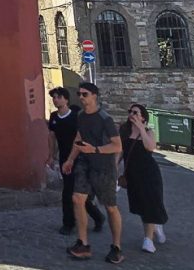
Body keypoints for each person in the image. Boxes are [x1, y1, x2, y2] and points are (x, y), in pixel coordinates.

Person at [62, 82, 124, 264]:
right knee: (77, 198)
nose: (81, 97)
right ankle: (83, 243)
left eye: (85, 94)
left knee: (110, 207)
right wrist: (71, 159)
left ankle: (116, 247)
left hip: (104, 167)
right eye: (80, 94)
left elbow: (117, 145)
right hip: (85, 164)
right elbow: (79, 138)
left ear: (95, 96)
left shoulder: (105, 119)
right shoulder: (80, 115)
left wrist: (95, 150)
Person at [46, 87, 105, 235]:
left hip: (79, 158)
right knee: (71, 192)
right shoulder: (53, 117)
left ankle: (76, 222)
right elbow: (52, 138)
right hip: (64, 158)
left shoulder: (75, 116)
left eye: (58, 97)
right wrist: (52, 155)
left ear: (66, 99)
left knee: (73, 193)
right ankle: (88, 219)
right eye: (54, 97)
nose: (55, 100)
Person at [119, 103, 168, 254]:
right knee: (140, 206)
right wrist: (115, 168)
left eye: (135, 112)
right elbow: (119, 152)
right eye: (130, 112)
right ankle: (155, 226)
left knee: (150, 204)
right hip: (133, 175)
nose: (132, 114)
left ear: (143, 117)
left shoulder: (148, 132)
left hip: (149, 174)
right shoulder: (124, 132)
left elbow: (150, 147)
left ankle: (148, 239)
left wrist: (141, 128)